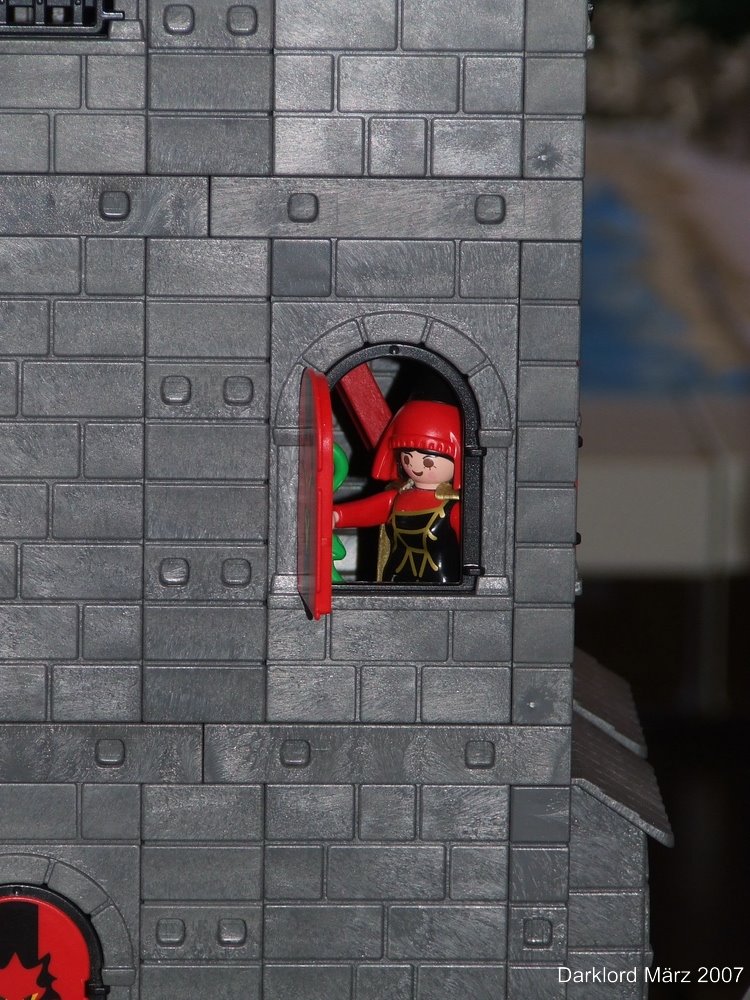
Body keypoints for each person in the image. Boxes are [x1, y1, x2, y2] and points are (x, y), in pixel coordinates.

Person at [332, 400, 462, 583]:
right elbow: (367, 510)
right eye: (407, 458)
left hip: (439, 584)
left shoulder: (453, 508)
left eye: (428, 461)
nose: (415, 466)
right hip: (395, 579)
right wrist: (336, 515)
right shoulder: (398, 498)